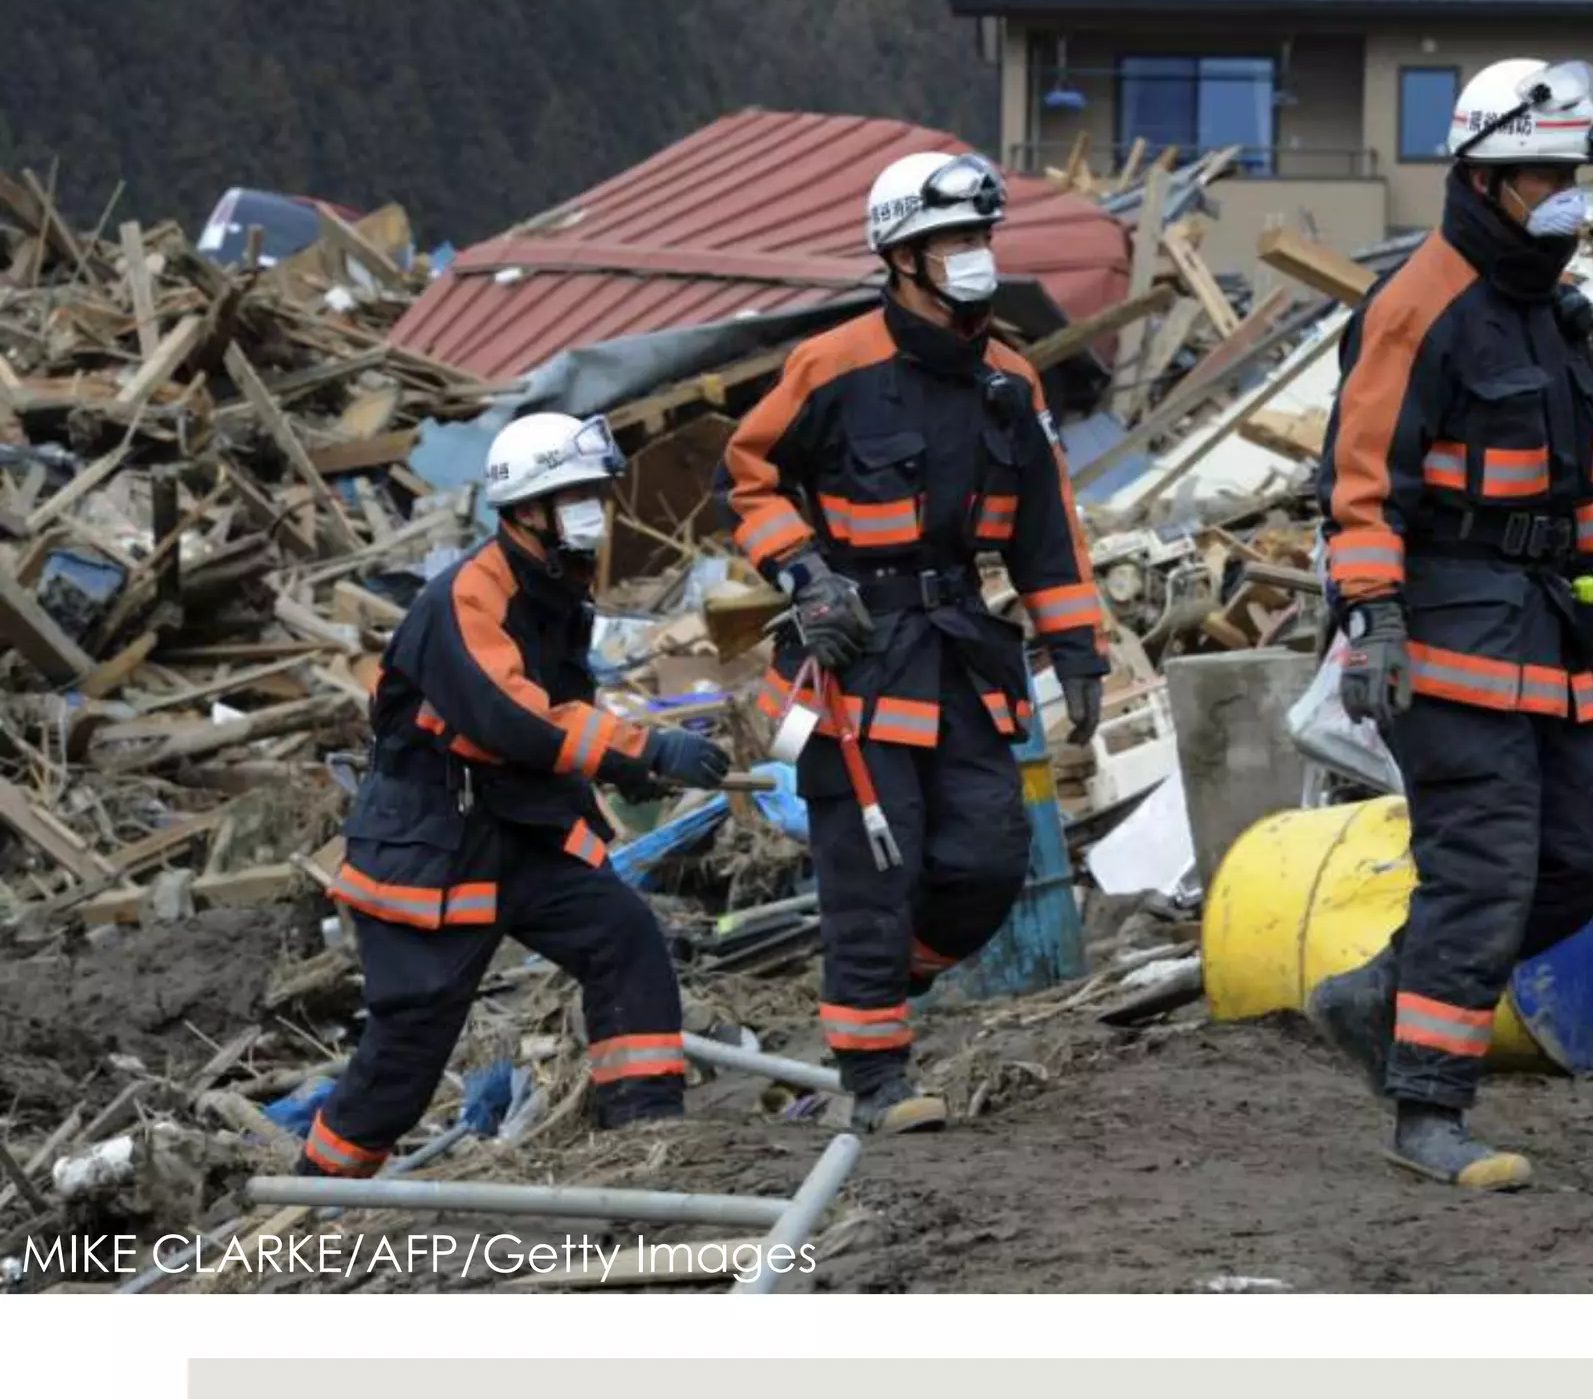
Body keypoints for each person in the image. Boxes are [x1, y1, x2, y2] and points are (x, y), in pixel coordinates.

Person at [714, 151, 1108, 1135]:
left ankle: (873, 990)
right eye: (950, 241)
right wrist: (803, 572)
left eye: (980, 237)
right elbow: (746, 475)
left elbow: (1044, 529)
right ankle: (873, 1077)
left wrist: (1076, 646)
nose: (972, 256)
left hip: (962, 651)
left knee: (988, 858)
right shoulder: (833, 366)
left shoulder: (1009, 380)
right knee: (872, 873)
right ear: (899, 257)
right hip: (855, 657)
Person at [1308, 58, 1593, 1191]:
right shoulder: (1416, 304)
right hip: (1439, 637)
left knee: (1580, 863)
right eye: (1543, 171)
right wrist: (1373, 618)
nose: (1563, 194)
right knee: (1483, 867)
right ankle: (1426, 1110)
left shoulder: (1556, 313)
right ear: (1486, 175)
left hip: (1546, 637)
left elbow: (1574, 488)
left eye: (1572, 172)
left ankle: (1378, 994)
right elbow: (1357, 483)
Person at [298, 411, 732, 1178]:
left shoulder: (556, 588)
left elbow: (562, 713)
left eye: (596, 493)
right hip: (432, 847)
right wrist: (647, 745)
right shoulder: (466, 597)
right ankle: (312, 1204)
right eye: (575, 497)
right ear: (525, 509)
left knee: (623, 940)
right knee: (407, 1053)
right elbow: (516, 720)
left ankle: (649, 1143)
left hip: (519, 830)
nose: (593, 512)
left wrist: (631, 769)